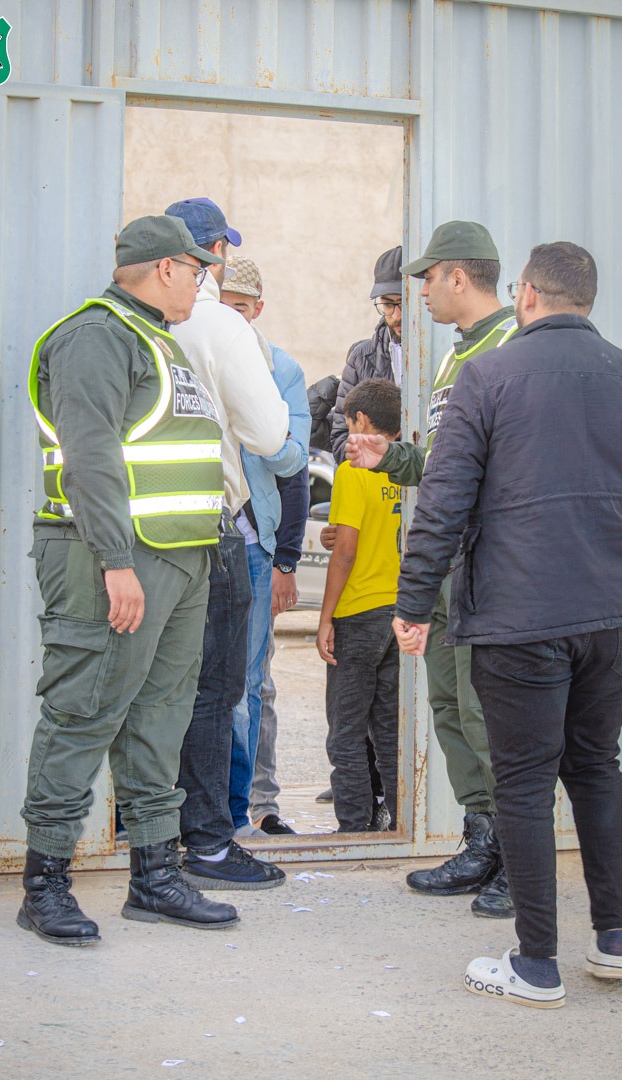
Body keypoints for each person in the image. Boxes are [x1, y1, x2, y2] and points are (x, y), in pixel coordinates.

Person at [374, 240, 622, 1007]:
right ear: (585, 298)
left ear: (524, 294)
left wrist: (411, 604)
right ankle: (614, 939)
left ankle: (536, 964)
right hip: (613, 617)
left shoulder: (487, 376)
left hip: (518, 618)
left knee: (521, 783)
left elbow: (444, 502)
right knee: (595, 765)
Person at [18, 214, 240, 945]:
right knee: (83, 712)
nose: (203, 283)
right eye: (198, 270)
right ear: (166, 267)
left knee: (160, 717)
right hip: (112, 560)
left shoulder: (156, 339)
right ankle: (44, 885)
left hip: (179, 560)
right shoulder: (96, 336)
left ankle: (154, 876)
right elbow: (91, 457)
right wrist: (116, 561)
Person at [346, 221, 518, 916]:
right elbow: (449, 466)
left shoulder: (512, 347)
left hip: (488, 567)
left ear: (458, 276)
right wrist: (389, 457)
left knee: (488, 715)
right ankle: (481, 841)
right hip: (446, 564)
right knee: (449, 707)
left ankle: (518, 861)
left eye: (426, 279)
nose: (418, 292)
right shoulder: (455, 358)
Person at [164, 198, 289, 890]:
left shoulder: (128, 320)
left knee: (154, 688)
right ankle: (209, 843)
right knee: (216, 692)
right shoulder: (219, 325)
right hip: (210, 529)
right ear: (212, 253)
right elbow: (270, 435)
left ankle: (147, 836)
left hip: (138, 535)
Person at [219, 255, 310, 838]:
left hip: (253, 543)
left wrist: (286, 560)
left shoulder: (281, 369)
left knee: (247, 685)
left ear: (257, 309)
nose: (230, 315)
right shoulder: (188, 351)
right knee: (182, 680)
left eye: (240, 306)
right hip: (193, 537)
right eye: (222, 304)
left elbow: (293, 467)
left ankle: (241, 814)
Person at [317, 379, 402, 833]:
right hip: (401, 610)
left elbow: (346, 551)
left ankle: (354, 826)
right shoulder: (406, 470)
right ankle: (401, 823)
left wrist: (325, 617)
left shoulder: (354, 470)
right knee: (390, 730)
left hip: (358, 612)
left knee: (346, 731)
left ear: (362, 421)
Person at [249, 467, 310, 834]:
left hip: (254, 555)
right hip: (184, 556)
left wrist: (285, 561)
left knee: (257, 689)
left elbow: (295, 478)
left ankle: (262, 807)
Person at [330, 246, 403, 464]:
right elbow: (340, 439)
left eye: (404, 303)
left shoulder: (443, 354)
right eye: (388, 304)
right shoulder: (360, 357)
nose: (397, 315)